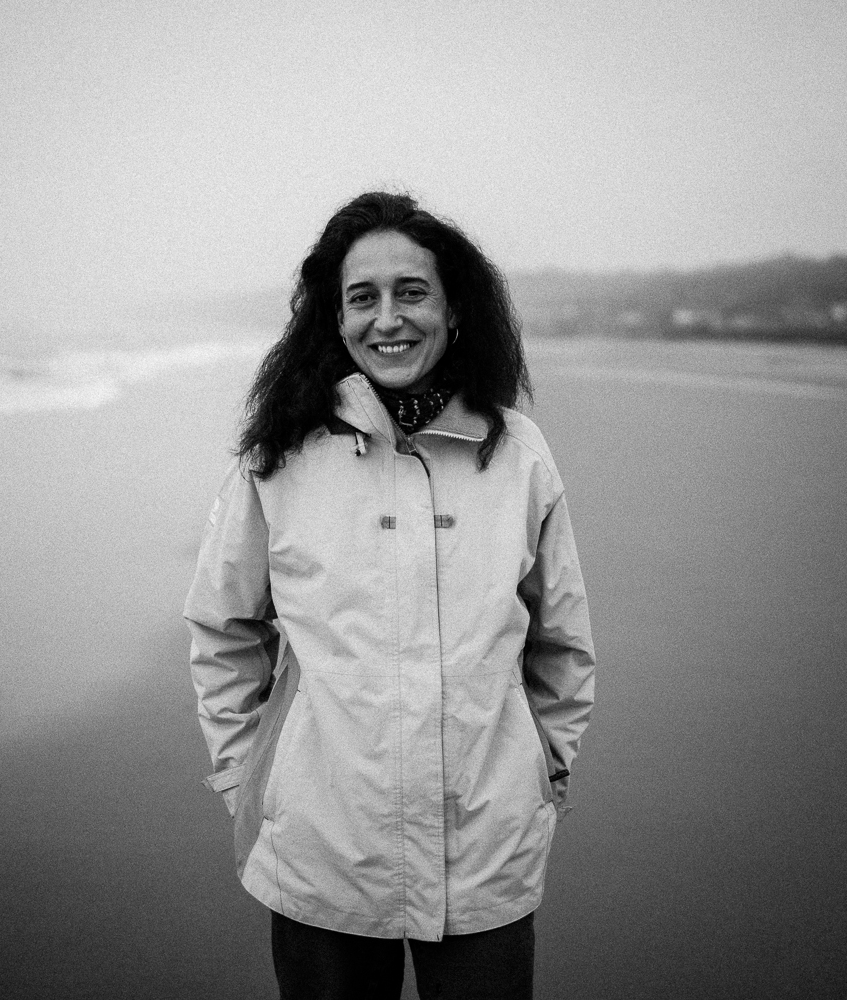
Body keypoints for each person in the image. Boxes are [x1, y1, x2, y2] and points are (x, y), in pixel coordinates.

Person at [184, 191, 595, 999]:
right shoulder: (280, 457)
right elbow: (223, 628)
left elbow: (562, 639)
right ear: (334, 319)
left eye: (412, 292)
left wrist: (542, 771)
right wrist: (247, 779)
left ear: (454, 309)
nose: (388, 319)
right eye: (362, 297)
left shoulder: (518, 456)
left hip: (487, 847)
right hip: (322, 847)